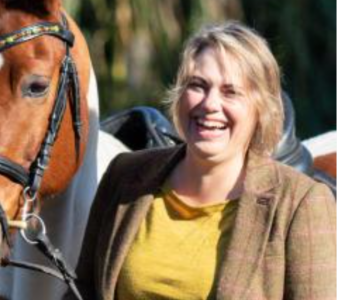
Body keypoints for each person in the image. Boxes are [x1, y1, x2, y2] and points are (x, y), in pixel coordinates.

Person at [67, 22, 336, 300]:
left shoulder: (301, 202)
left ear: (260, 109)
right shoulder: (125, 175)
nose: (209, 104)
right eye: (198, 85)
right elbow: (82, 292)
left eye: (230, 91)